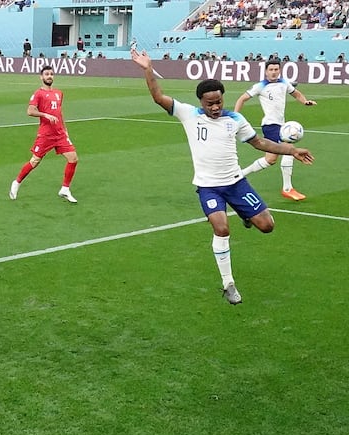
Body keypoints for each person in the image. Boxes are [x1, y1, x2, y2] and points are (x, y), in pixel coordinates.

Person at [130, 49, 314, 304]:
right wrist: (147, 68)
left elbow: (260, 143)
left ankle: (244, 214)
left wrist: (292, 150)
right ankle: (228, 283)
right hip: (209, 188)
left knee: (267, 226)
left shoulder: (235, 119)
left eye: (219, 102)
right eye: (210, 103)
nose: (215, 107)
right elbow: (158, 96)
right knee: (221, 227)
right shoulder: (188, 114)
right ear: (201, 102)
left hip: (236, 184)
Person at [233, 57, 317, 201]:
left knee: (270, 160)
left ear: (280, 70)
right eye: (271, 70)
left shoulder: (284, 83)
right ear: (266, 71)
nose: (273, 72)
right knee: (289, 150)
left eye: (276, 69)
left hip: (282, 125)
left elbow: (296, 93)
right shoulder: (261, 86)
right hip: (270, 126)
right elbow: (242, 99)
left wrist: (305, 101)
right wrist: (235, 117)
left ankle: (238, 175)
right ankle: (287, 189)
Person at [9, 65, 80, 203]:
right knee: (34, 161)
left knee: (73, 158)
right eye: (46, 74)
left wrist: (65, 129)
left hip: (60, 134)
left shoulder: (59, 93)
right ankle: (16, 183)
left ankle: (65, 189)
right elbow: (30, 111)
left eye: (51, 74)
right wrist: (45, 115)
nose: (49, 76)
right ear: (41, 77)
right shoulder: (38, 94)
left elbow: (60, 112)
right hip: (46, 135)